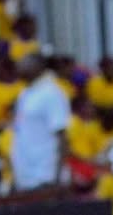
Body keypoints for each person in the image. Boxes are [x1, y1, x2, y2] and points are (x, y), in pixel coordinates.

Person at [8, 54, 70, 192]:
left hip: (45, 177)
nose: (19, 67)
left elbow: (62, 136)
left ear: (39, 67)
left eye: (24, 63)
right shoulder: (25, 93)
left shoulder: (51, 93)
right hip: (25, 177)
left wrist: (56, 178)